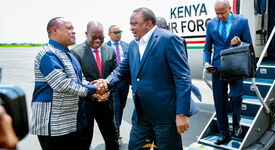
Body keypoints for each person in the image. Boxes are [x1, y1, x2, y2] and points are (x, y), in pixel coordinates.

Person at [104, 7, 192, 150]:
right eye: (130, 24)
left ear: (148, 23)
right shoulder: (133, 45)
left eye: (134, 24)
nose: (131, 28)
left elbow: (183, 78)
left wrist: (181, 113)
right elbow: (122, 69)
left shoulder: (168, 39)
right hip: (141, 115)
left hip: (165, 117)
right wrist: (106, 82)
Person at [30, 17, 106, 150]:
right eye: (69, 28)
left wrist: (94, 89)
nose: (74, 32)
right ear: (54, 31)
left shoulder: (68, 54)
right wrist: (93, 89)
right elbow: (62, 84)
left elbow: (79, 80)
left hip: (71, 121)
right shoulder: (48, 53)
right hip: (53, 123)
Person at [203, 0, 252, 145]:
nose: (220, 16)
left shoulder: (241, 21)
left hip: (235, 67)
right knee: (220, 103)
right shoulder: (211, 24)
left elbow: (248, 44)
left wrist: (239, 43)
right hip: (217, 69)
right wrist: (206, 63)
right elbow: (207, 48)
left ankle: (236, 122)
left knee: (236, 97)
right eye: (217, 13)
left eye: (222, 13)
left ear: (229, 9)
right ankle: (224, 134)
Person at [71, 21, 119, 150]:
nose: (98, 40)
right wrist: (95, 93)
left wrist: (107, 90)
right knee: (84, 140)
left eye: (101, 37)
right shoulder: (76, 53)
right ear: (86, 34)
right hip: (86, 105)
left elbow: (115, 74)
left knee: (112, 138)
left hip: (107, 102)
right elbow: (77, 79)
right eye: (94, 37)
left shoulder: (110, 51)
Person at [104, 25, 130, 139]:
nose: (118, 34)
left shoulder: (127, 46)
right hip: (112, 82)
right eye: (115, 32)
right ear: (109, 34)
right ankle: (116, 132)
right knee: (115, 108)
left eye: (120, 32)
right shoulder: (104, 47)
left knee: (122, 106)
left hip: (124, 82)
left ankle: (116, 130)